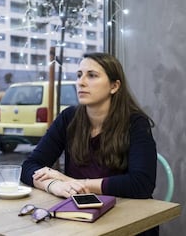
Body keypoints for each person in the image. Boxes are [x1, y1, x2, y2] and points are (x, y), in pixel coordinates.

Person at [21, 52, 158, 235]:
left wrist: (74, 182)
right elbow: (29, 167)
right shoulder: (68, 118)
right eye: (79, 75)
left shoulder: (135, 123)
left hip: (129, 221)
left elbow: (141, 184)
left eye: (92, 75)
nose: (81, 82)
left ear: (114, 86)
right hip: (81, 217)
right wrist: (54, 185)